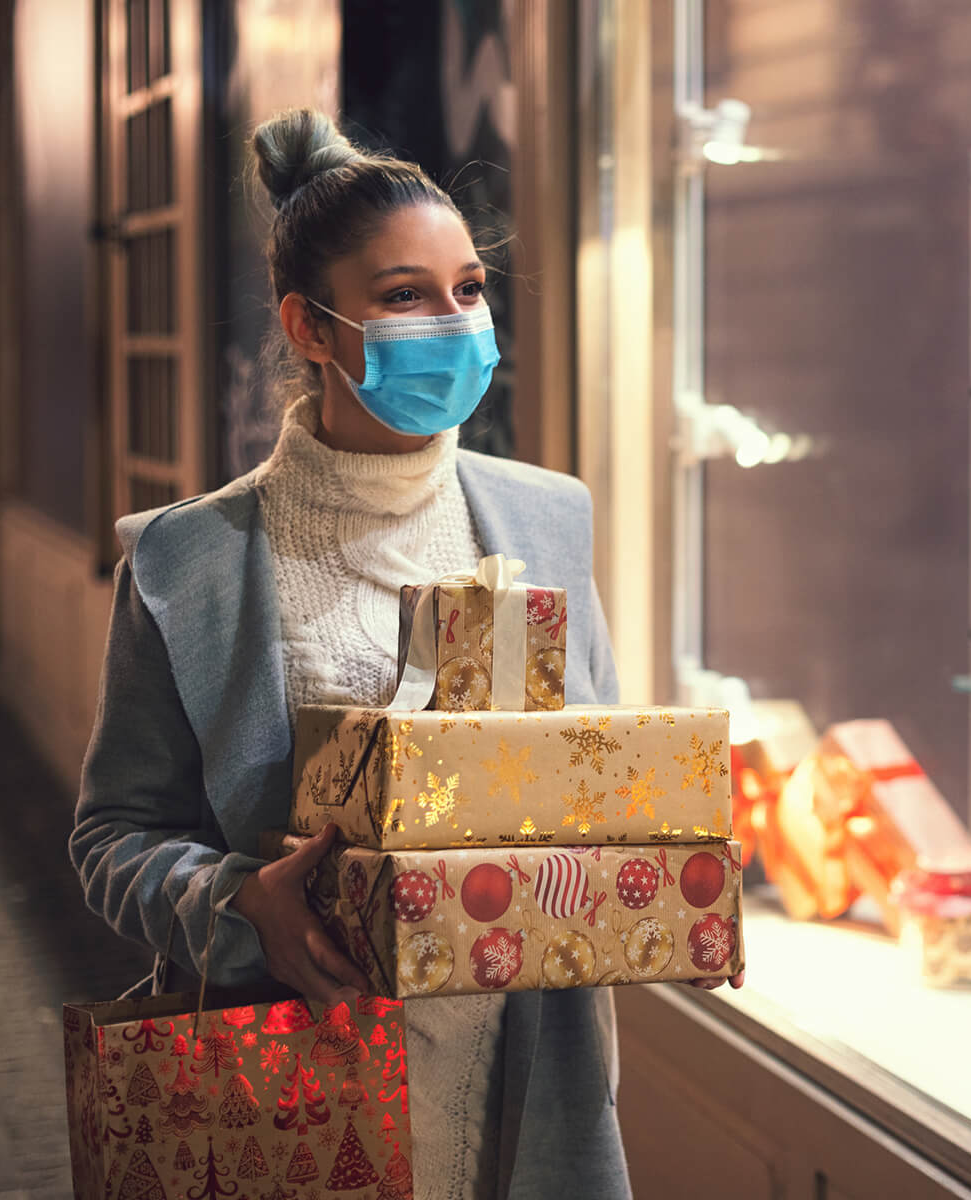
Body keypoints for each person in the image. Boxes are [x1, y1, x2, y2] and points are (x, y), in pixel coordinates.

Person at [71, 108, 685, 1200]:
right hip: (293, 1098)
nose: (451, 322)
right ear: (310, 329)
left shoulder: (549, 519)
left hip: (522, 1087)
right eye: (403, 296)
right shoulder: (188, 562)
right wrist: (239, 902)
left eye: (469, 289)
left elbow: (596, 798)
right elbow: (113, 837)